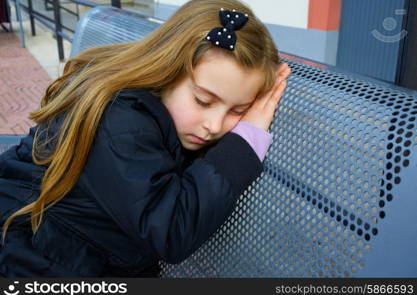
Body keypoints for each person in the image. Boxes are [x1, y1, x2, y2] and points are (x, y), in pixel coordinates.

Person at [0, 0, 291, 277]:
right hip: (33, 256)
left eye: (238, 111)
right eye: (203, 101)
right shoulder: (122, 124)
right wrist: (245, 139)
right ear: (166, 72)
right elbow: (171, 230)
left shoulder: (158, 115)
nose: (214, 126)